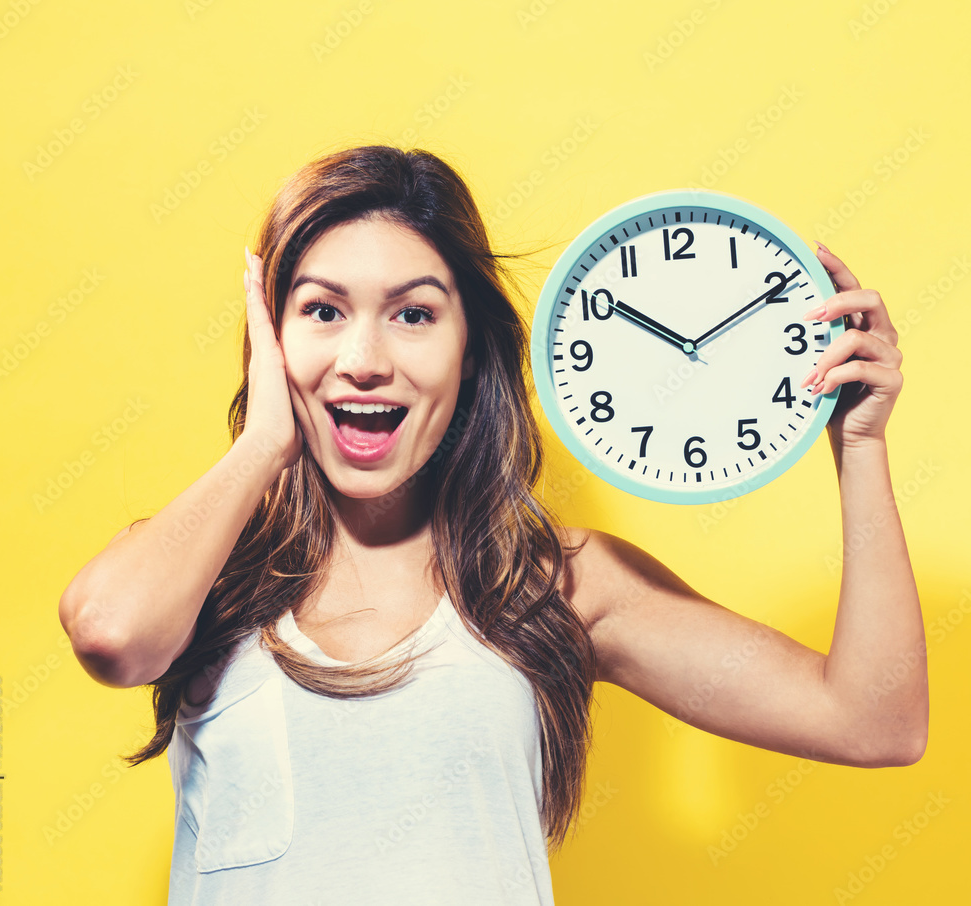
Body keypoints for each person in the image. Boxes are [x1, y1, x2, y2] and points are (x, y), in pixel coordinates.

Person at [58, 145, 927, 905]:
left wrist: (857, 445)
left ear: (470, 349)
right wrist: (264, 446)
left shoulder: (555, 584)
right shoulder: (206, 568)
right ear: (273, 338)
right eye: (322, 311)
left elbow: (871, 721)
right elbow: (111, 636)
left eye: (414, 314)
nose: (363, 360)